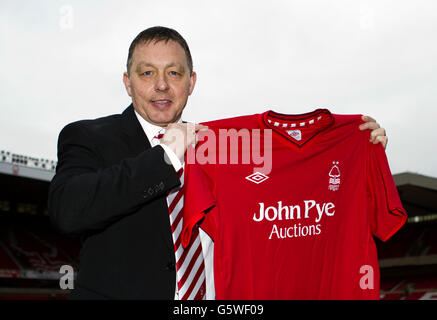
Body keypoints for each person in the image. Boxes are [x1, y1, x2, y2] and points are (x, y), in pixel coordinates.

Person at [48, 26, 388, 300]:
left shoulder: (223, 148)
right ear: (127, 82)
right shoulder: (88, 136)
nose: (161, 84)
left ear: (191, 83)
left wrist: (355, 146)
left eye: (174, 73)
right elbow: (68, 209)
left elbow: (296, 166)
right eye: (147, 72)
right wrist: (165, 158)